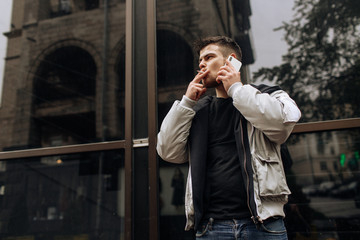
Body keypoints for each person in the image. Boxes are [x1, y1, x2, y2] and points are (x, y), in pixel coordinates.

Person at [156, 36, 301, 239]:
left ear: (230, 60)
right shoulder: (198, 112)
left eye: (208, 57)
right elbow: (168, 152)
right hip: (212, 228)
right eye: (200, 61)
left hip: (263, 225)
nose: (201, 65)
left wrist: (235, 89)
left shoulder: (267, 95)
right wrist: (186, 103)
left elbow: (282, 125)